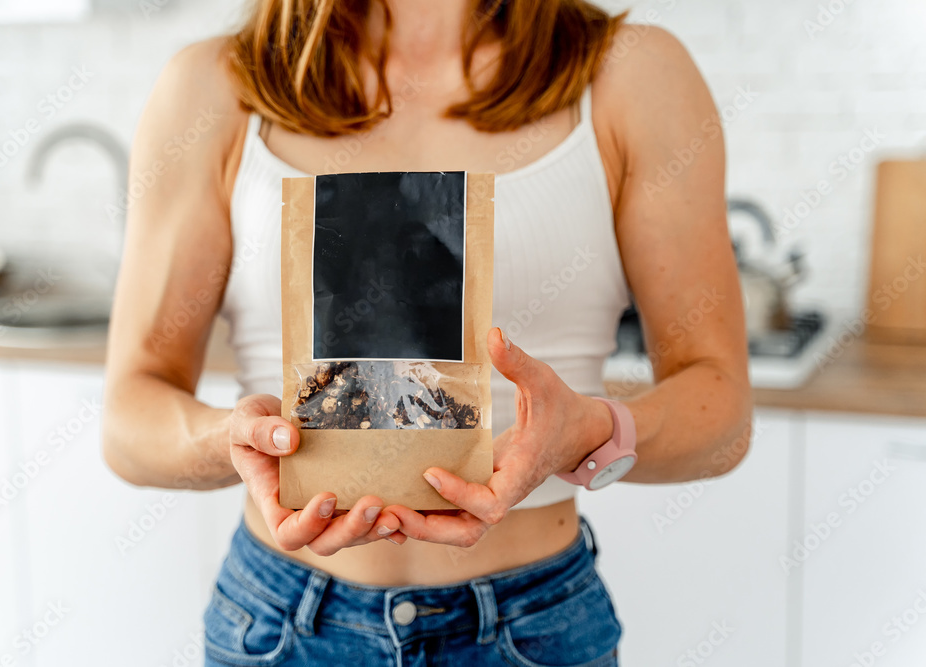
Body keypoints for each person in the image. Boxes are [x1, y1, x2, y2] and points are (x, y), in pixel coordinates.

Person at [102, 1, 752, 664]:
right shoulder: (213, 87)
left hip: (530, 628)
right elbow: (130, 422)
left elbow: (722, 415)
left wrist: (587, 433)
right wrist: (232, 441)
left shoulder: (632, 76)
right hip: (280, 628)